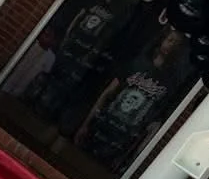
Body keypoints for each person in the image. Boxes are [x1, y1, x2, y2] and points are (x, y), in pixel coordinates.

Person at [74, 27, 190, 170]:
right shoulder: (137, 64)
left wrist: (131, 159)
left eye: (176, 45)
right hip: (100, 128)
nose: (171, 46)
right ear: (163, 40)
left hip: (120, 143)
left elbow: (152, 126)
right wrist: (85, 124)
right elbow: (107, 93)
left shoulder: (170, 82)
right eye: (170, 40)